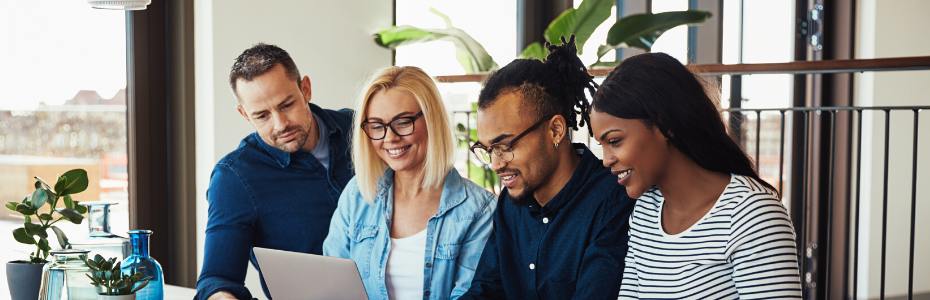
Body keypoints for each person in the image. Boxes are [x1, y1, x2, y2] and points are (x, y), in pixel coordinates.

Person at [589, 52, 802, 299]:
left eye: (615, 141)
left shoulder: (751, 213)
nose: (606, 160)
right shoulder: (646, 211)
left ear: (665, 124)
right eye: (602, 145)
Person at [461, 36, 636, 300]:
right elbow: (486, 289)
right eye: (488, 149)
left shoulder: (611, 202)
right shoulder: (510, 204)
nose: (496, 164)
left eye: (505, 145)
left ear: (555, 130)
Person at [195, 43, 355, 300]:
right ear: (245, 115)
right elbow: (217, 279)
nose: (281, 125)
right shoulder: (235, 177)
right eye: (262, 116)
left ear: (306, 89)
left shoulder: (363, 129)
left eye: (286, 105)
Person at [323, 66, 497, 300]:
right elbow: (331, 285)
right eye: (377, 126)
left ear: (432, 120)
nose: (390, 138)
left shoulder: (479, 210)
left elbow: (471, 294)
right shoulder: (358, 194)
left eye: (403, 122)